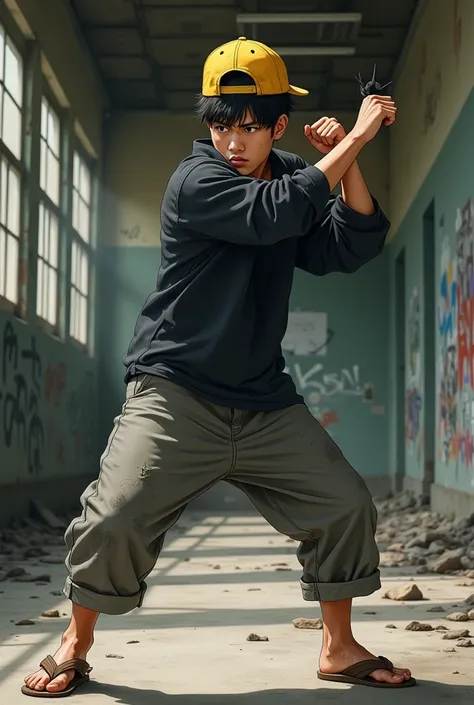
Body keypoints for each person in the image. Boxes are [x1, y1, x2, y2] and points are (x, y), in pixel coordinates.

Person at [22, 37, 415, 697]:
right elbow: (277, 215)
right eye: (221, 123)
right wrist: (361, 138)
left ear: (277, 125)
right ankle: (76, 640)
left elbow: (347, 247)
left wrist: (345, 159)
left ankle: (339, 644)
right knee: (114, 515)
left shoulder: (292, 170)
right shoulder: (195, 180)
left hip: (264, 399)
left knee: (345, 503)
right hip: (174, 390)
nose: (233, 139)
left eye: (251, 126)